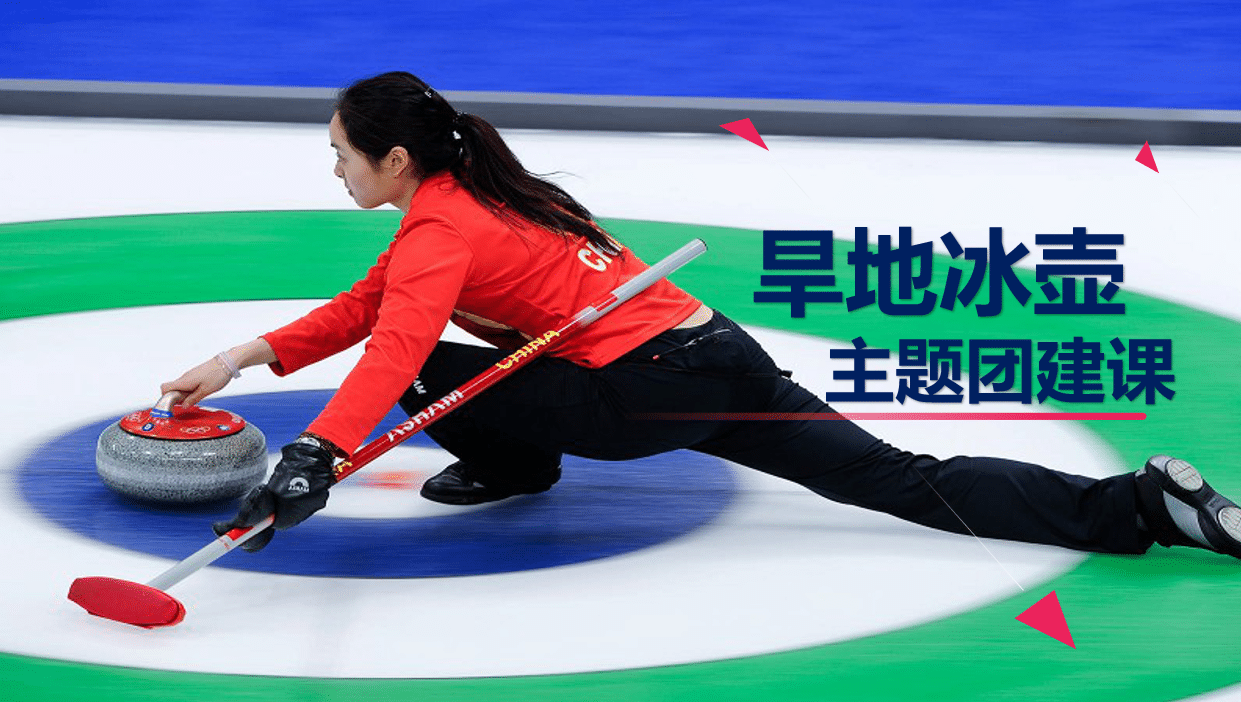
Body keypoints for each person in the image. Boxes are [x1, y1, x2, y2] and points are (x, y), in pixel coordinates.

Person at [161, 71, 1241, 561]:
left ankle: (515, 465)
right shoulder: (491, 191)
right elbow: (367, 307)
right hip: (717, 357)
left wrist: (314, 455)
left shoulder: (441, 230)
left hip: (639, 394)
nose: (335, 171)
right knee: (901, 477)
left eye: (340, 155)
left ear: (393, 158)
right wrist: (242, 356)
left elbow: (393, 346)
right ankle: (1143, 508)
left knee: (430, 369)